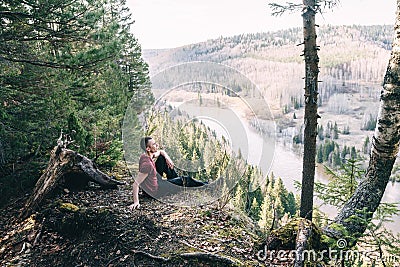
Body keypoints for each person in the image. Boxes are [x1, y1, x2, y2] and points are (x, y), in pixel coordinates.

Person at [129, 136, 207, 210]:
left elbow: (161, 152)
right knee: (186, 179)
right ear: (148, 148)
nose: (157, 145)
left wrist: (167, 158)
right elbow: (136, 184)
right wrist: (136, 202)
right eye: (154, 144)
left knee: (162, 158)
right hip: (155, 191)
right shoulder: (147, 165)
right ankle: (205, 186)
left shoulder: (146, 155)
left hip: (154, 182)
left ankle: (175, 181)